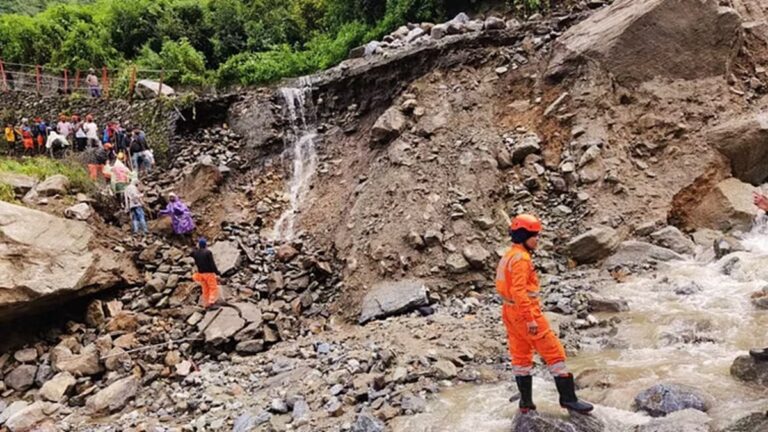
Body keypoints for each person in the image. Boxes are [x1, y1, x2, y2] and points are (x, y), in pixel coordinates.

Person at [497, 214, 594, 414]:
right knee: (554, 352)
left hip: (509, 311)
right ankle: (568, 399)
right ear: (524, 236)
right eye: (535, 236)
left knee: (520, 355)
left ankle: (525, 403)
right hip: (525, 312)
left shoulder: (509, 255)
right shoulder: (521, 259)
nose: (538, 240)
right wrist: (530, 318)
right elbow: (519, 291)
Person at [192, 238, 221, 309]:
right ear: (205, 245)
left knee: (205, 289)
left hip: (201, 274)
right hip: (209, 274)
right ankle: (211, 303)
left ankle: (206, 304)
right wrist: (217, 272)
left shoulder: (195, 253)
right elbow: (212, 264)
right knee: (213, 288)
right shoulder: (208, 252)